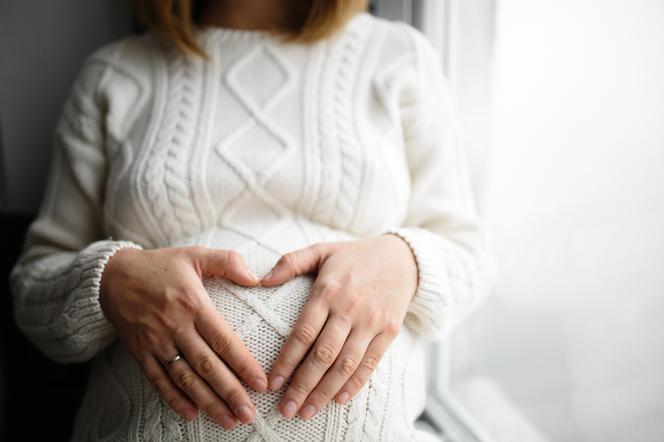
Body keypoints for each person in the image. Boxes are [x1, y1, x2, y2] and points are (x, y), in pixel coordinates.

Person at [10, 0, 494, 440]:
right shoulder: (115, 73)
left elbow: (468, 258)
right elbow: (34, 286)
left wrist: (404, 262)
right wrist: (111, 282)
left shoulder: (400, 56)